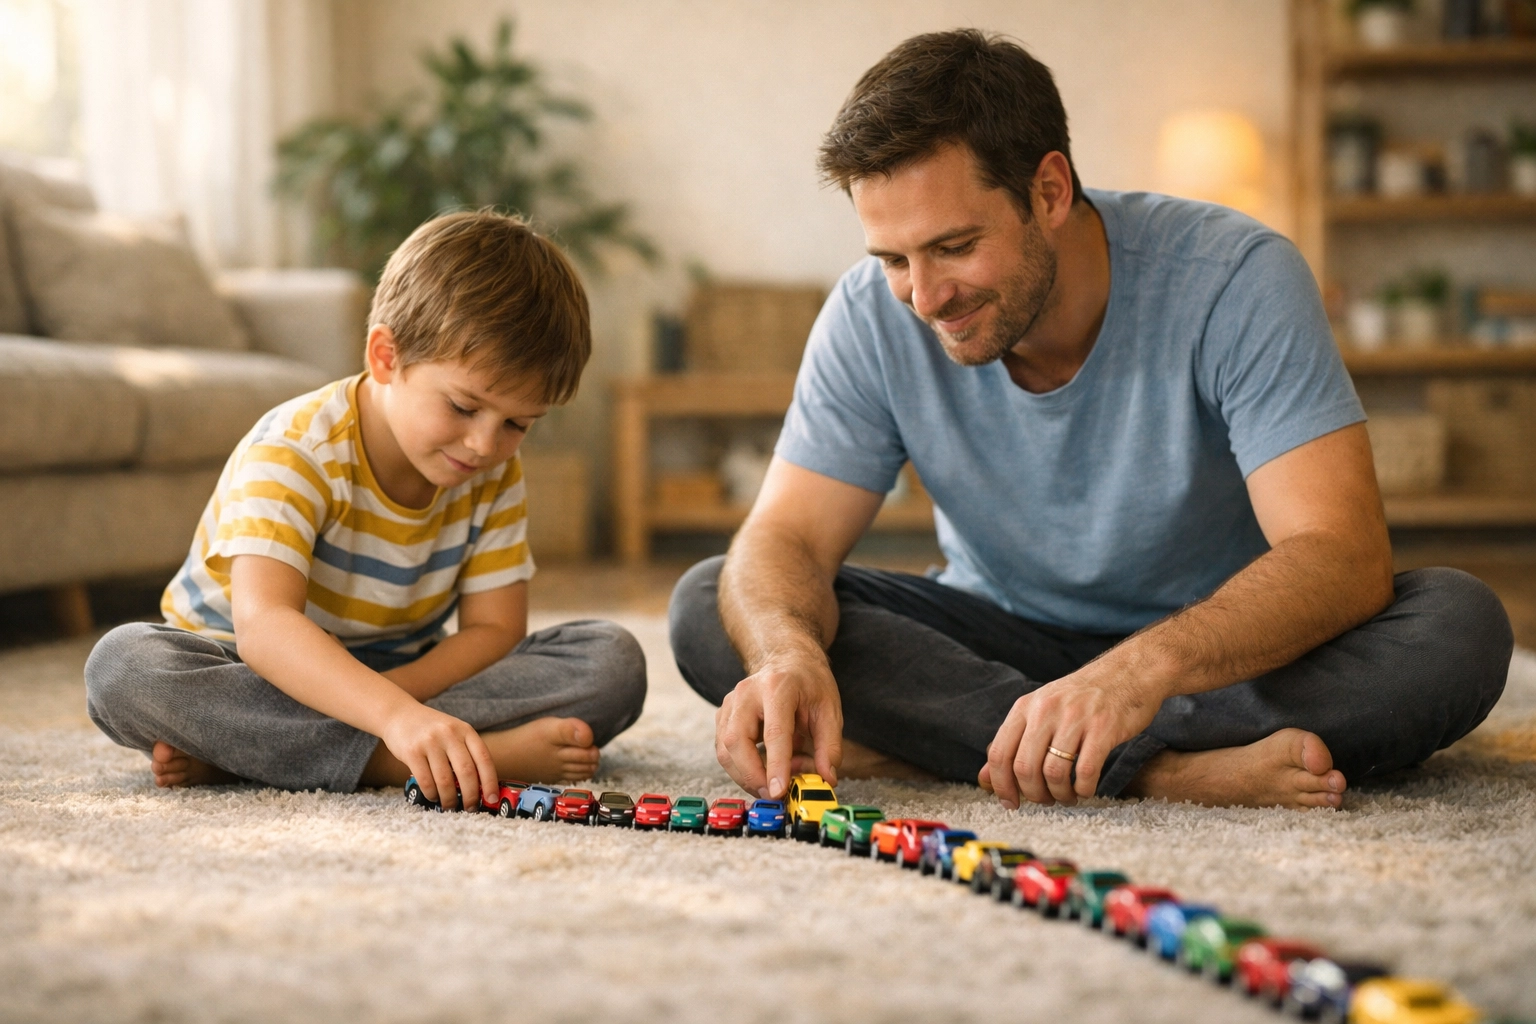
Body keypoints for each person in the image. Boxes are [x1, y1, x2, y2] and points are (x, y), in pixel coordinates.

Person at [669, 30, 1512, 812]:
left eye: (955, 246)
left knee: (1457, 629)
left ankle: (957, 746)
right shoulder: (868, 316)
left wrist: (1134, 677)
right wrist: (790, 657)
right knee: (723, 601)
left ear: (1049, 190)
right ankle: (1164, 773)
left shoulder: (1236, 278)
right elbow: (788, 539)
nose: (924, 298)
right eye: (893, 259)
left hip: (1209, 656)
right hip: (997, 641)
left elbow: (1344, 557)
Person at [86, 211, 646, 809]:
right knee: (125, 668)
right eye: (463, 407)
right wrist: (397, 721)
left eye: (516, 423)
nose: (485, 444)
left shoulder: (490, 469)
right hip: (255, 664)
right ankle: (421, 760)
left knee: (610, 661)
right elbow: (265, 627)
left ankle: (256, 754)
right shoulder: (297, 447)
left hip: (399, 669)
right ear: (386, 356)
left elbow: (495, 629)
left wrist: (393, 701)